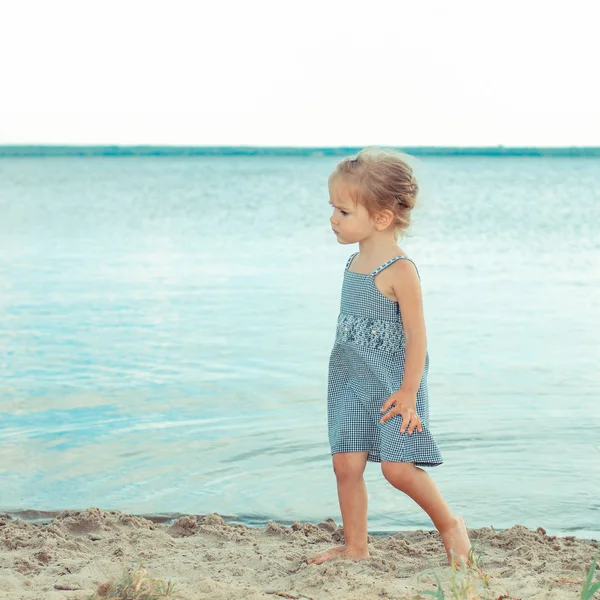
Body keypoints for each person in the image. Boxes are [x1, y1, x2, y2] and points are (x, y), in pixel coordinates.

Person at [308, 147, 472, 567]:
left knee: (397, 470)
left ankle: (451, 525)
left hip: (394, 384)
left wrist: (409, 392)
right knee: (345, 463)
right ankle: (356, 547)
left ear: (380, 218)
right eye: (333, 209)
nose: (333, 219)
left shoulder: (400, 269)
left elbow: (418, 336)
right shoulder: (353, 261)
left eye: (343, 212)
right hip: (349, 377)